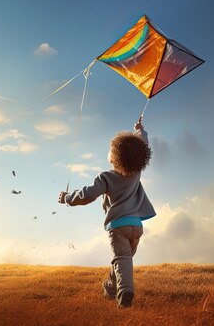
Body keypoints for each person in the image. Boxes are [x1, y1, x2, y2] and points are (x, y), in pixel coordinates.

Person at [58, 119, 155, 308]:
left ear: (115, 156)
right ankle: (110, 287)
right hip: (136, 226)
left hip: (119, 227)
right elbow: (142, 145)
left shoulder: (106, 177)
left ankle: (125, 291)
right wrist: (140, 132)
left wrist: (67, 198)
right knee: (122, 260)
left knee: (122, 259)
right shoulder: (135, 171)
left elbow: (87, 195)